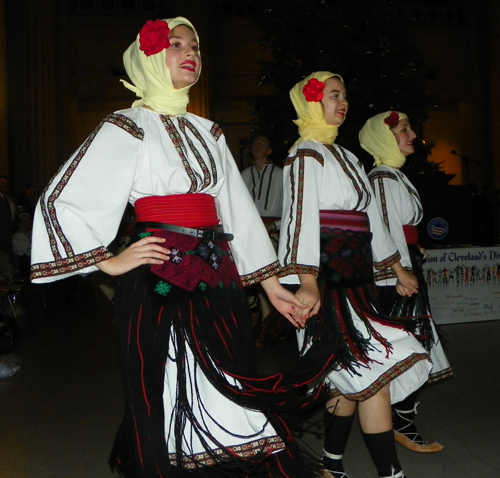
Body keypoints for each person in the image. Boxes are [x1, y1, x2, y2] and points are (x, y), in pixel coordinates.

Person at [29, 18, 337, 478]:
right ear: (151, 57)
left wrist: (272, 288)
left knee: (231, 382)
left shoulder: (208, 131)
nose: (189, 51)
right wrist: (108, 260)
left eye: (193, 45)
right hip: (157, 280)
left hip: (218, 275)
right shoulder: (127, 126)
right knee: (170, 387)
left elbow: (238, 212)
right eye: (175, 44)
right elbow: (62, 197)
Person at [278, 72, 433, 478]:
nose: (342, 102)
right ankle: (390, 474)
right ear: (312, 102)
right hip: (328, 282)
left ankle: (332, 464)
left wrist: (395, 266)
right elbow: (298, 219)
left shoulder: (347, 157)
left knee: (348, 377)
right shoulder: (305, 154)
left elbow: (372, 223)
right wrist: (307, 279)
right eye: (333, 95)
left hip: (359, 281)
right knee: (374, 369)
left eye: (345, 95)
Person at [360, 111, 454, 453]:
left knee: (416, 347)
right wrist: (398, 271)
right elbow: (381, 230)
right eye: (403, 129)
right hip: (392, 276)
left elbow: (398, 226)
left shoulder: (393, 175)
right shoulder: (383, 178)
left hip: (402, 264)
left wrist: (415, 247)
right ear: (384, 138)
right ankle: (402, 424)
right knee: (412, 349)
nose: (412, 134)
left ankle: (402, 423)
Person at [241, 135, 283, 249]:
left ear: (269, 151)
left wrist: (274, 225)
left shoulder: (281, 174)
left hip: (273, 228)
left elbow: (291, 206)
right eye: (255, 143)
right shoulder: (245, 174)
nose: (257, 146)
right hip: (250, 227)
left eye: (262, 143)